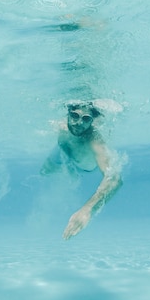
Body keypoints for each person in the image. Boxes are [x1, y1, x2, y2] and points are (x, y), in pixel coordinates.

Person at [41, 101, 122, 240]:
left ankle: (71, 171)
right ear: (68, 114)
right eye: (74, 116)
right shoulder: (61, 126)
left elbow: (114, 178)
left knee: (69, 173)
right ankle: (66, 169)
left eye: (86, 119)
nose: (79, 123)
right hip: (64, 153)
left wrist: (88, 209)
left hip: (83, 167)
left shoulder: (94, 139)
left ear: (92, 120)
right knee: (44, 171)